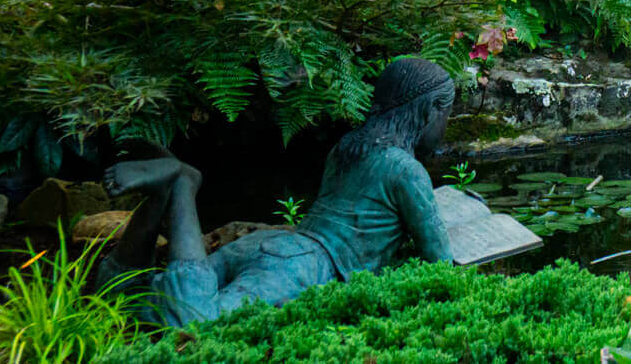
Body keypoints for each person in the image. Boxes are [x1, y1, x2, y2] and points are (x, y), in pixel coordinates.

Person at [98, 57, 457, 326]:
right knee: (196, 322)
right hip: (305, 267)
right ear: (429, 111)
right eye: (446, 114)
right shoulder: (406, 170)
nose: (445, 125)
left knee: (134, 302)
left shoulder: (350, 147)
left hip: (273, 246)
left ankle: (155, 203)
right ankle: (181, 183)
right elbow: (438, 261)